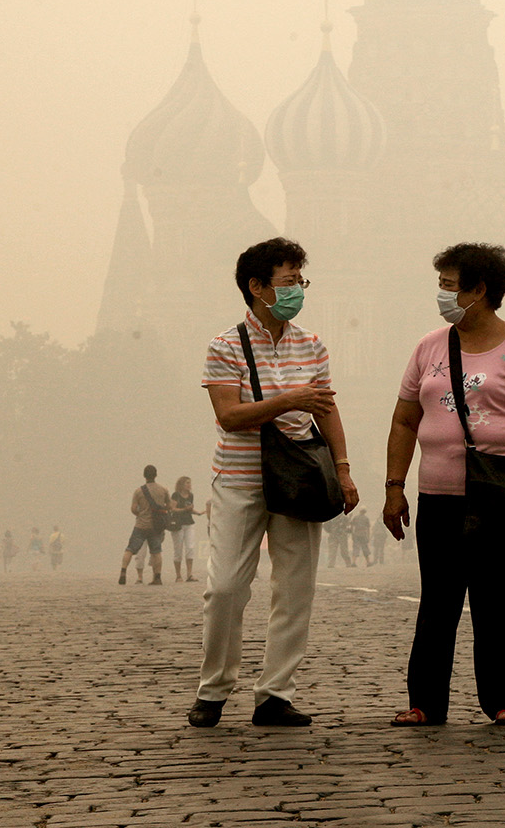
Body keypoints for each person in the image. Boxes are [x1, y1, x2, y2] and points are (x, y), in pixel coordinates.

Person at [384, 243, 505, 727]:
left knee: (503, 600)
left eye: (449, 285)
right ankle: (425, 701)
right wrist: (394, 486)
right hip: (439, 496)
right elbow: (404, 420)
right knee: (438, 600)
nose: (441, 293)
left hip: (503, 494)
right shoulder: (429, 347)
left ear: (479, 290)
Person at [191, 238, 358, 729]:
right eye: (288, 282)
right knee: (224, 588)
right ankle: (214, 688)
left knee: (296, 589)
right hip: (240, 480)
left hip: (299, 478)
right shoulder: (225, 346)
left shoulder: (312, 344)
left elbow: (326, 409)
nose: (297, 290)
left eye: (300, 281)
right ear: (257, 287)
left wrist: (343, 469)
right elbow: (229, 416)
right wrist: (289, 400)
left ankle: (275, 695)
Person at [120, 465, 170, 586]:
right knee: (156, 551)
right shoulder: (163, 490)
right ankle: (157, 577)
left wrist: (141, 513)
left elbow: (133, 509)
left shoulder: (138, 491)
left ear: (144, 476)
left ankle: (123, 571)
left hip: (141, 525)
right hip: (156, 526)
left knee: (130, 549)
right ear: (156, 475)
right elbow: (168, 506)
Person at [167, 476, 198, 583]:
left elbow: (189, 509)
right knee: (178, 549)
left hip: (189, 523)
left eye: (190, 483)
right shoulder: (175, 495)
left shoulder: (191, 496)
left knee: (190, 547)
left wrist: (196, 512)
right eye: (187, 483)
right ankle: (178, 575)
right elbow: (173, 509)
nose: (189, 485)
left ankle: (189, 574)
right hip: (178, 525)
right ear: (182, 485)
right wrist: (185, 509)